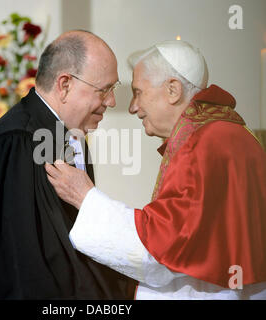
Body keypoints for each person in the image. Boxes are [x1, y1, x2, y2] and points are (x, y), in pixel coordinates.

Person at [45, 40, 266, 299]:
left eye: (138, 92)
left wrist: (86, 198)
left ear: (173, 90)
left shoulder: (205, 143)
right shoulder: (228, 133)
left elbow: (164, 249)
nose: (133, 107)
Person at [0, 30, 135, 299]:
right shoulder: (15, 145)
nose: (112, 101)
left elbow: (72, 246)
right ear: (64, 85)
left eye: (114, 89)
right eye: (105, 89)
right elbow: (17, 271)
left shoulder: (67, 138)